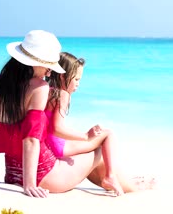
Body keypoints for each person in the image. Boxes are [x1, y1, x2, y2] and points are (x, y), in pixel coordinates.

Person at [0, 30, 151, 198]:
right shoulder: (39, 87)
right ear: (35, 62)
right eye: (48, 65)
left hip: (12, 174)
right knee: (99, 152)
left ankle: (114, 180)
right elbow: (31, 139)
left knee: (86, 158)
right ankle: (131, 186)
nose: (51, 71)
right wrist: (30, 185)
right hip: (45, 176)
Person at [45, 52, 124, 196]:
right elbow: (56, 128)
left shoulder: (44, 91)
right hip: (57, 147)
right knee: (107, 135)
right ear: (63, 76)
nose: (78, 84)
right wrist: (86, 136)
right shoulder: (62, 95)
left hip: (48, 145)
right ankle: (110, 176)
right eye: (76, 79)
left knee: (92, 141)